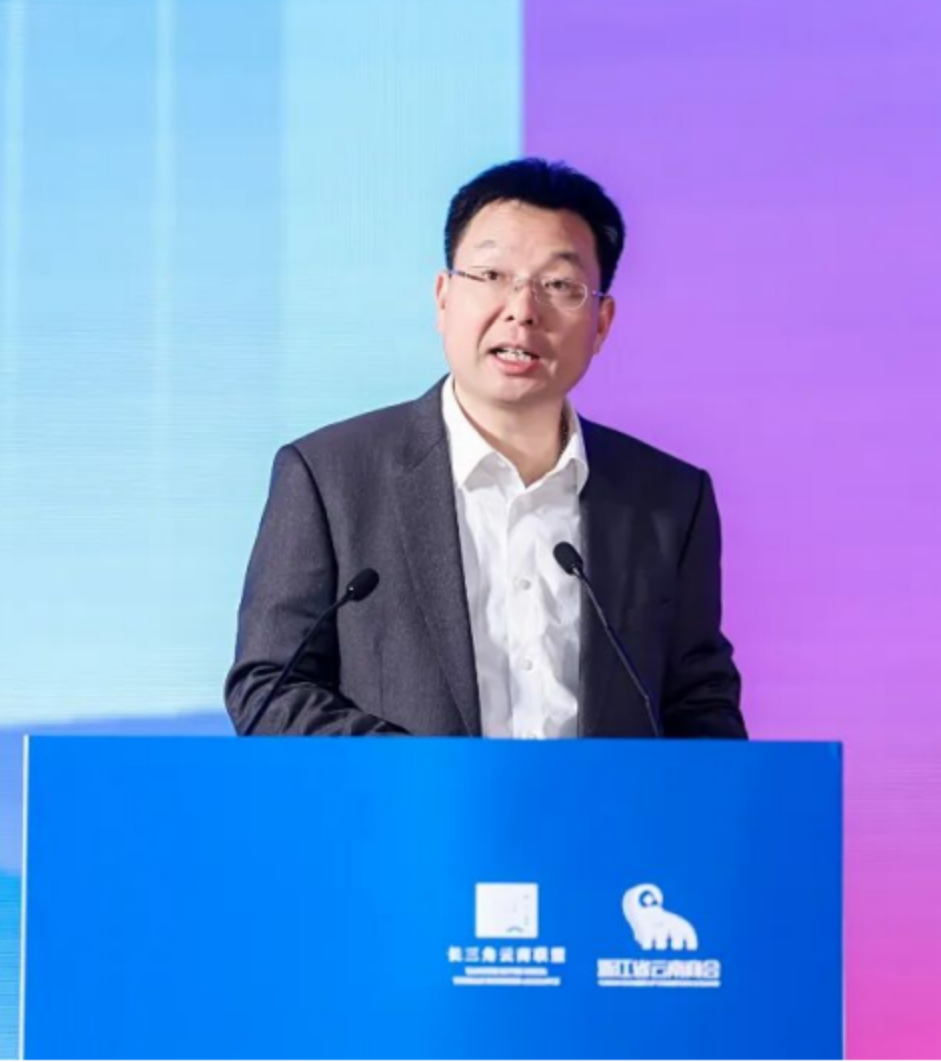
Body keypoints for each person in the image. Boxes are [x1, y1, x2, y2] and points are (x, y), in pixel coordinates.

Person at [223, 157, 747, 739]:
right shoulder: (330, 477)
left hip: (605, 804)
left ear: (601, 323)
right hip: (404, 802)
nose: (522, 310)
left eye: (559, 285)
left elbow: (700, 706)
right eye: (492, 275)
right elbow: (270, 689)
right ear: (444, 298)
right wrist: (424, 774)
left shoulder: (669, 499)